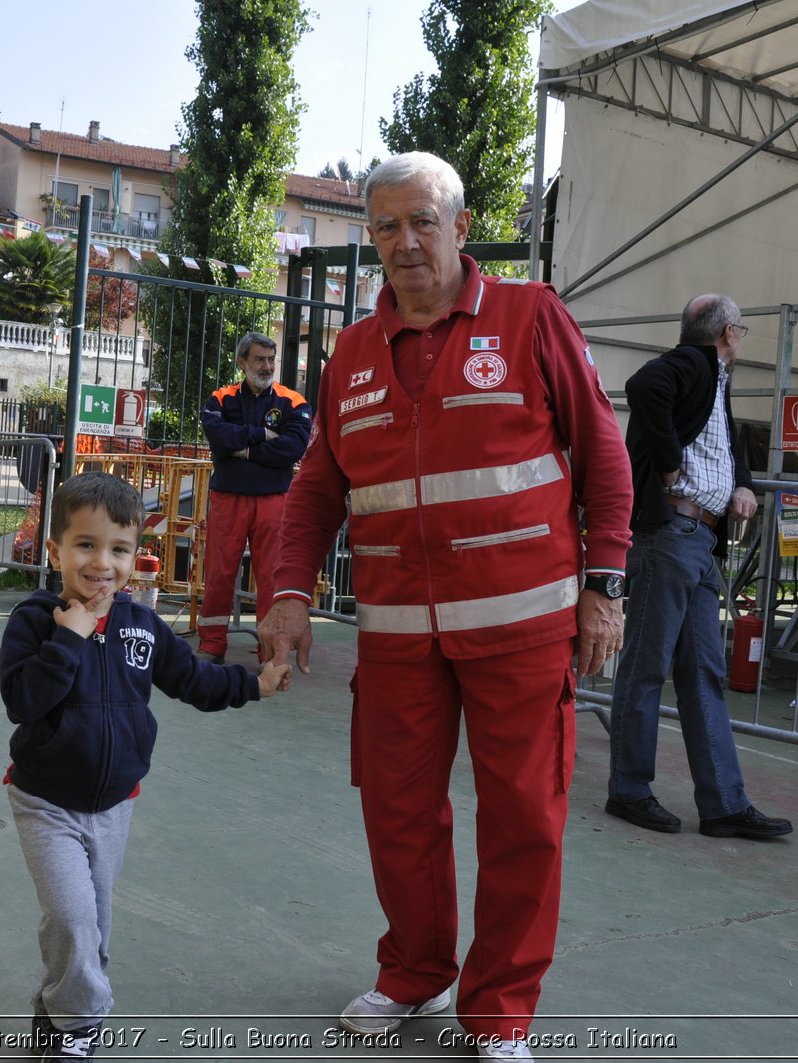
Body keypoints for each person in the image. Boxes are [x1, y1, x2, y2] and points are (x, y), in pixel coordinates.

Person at [258, 152, 632, 1062]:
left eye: (421, 220)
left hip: (522, 630)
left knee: (523, 818)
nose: (403, 241)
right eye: (384, 226)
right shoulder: (349, 352)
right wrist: (290, 593)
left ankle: (498, 1009)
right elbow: (316, 492)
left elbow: (605, 458)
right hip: (397, 638)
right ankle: (413, 971)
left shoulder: (530, 316)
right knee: (397, 811)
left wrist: (606, 586)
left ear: (461, 227)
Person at [0, 472, 290, 1061]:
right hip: (46, 800)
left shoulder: (140, 625)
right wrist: (69, 641)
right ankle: (81, 1023)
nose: (101, 562)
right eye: (85, 545)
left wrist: (253, 685)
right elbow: (22, 702)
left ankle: (57, 1013)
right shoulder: (36, 620)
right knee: (73, 917)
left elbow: (193, 679)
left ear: (135, 556)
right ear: (55, 551)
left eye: (119, 549)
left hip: (113, 805)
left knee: (94, 929)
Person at [605, 295, 794, 841]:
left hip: (694, 540)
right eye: (742, 331)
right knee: (648, 668)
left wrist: (742, 485)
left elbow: (728, 445)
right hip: (673, 535)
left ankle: (722, 804)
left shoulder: (712, 378)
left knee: (699, 672)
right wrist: (667, 468)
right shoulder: (694, 364)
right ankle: (632, 791)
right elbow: (643, 389)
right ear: (729, 333)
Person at [197, 333, 312, 662]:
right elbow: (218, 438)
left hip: (274, 499)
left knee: (272, 576)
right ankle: (211, 645)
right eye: (260, 359)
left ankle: (271, 652)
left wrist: (243, 450)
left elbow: (294, 446)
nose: (267, 366)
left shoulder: (294, 401)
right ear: (242, 362)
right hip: (228, 498)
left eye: (271, 359)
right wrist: (261, 436)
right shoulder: (220, 399)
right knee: (219, 573)